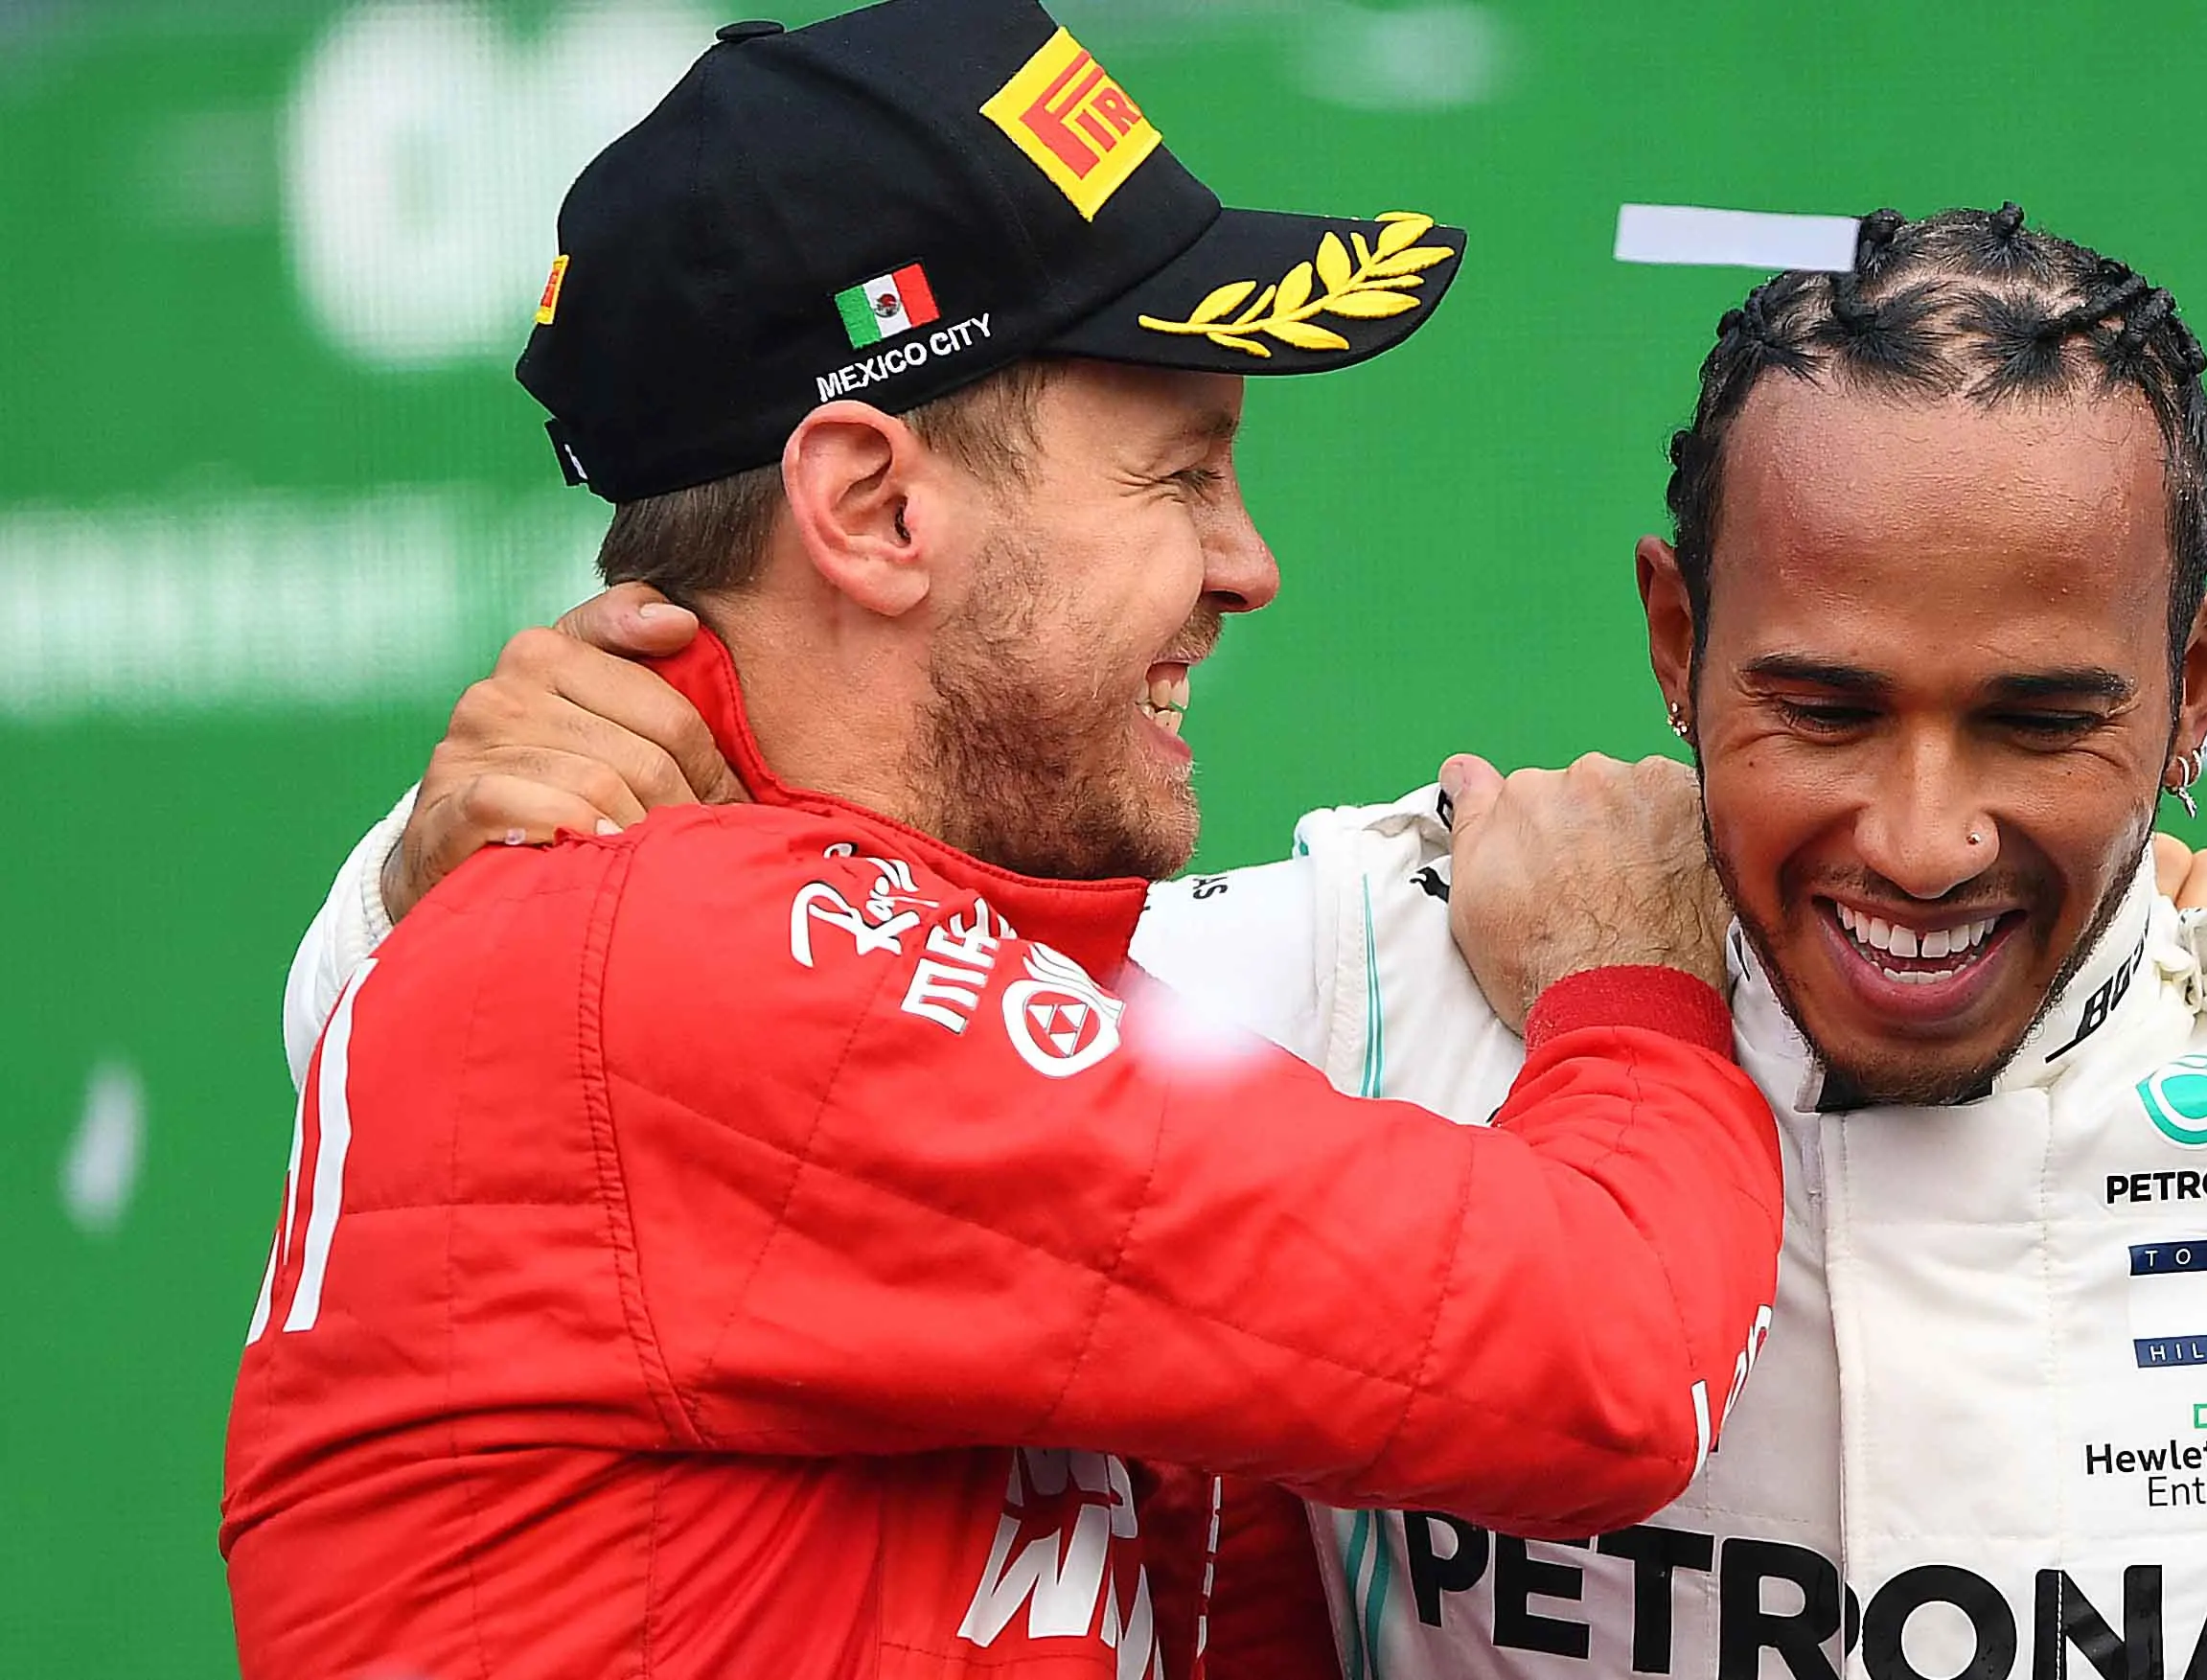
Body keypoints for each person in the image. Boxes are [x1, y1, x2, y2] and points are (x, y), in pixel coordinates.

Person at [290, 203, 2207, 1680]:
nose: (1918, 839)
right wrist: (418, 863)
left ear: (2200, 681)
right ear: (1667, 646)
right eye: (1816, 705)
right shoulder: (1382, 968)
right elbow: (592, 1097)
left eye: (2039, 719)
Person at [222, 5, 1797, 1677]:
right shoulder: (712, 968)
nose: (1246, 564)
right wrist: (1630, 983)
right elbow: (1611, 1362)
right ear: (876, 512)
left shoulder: (717, 960)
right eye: (1180, 478)